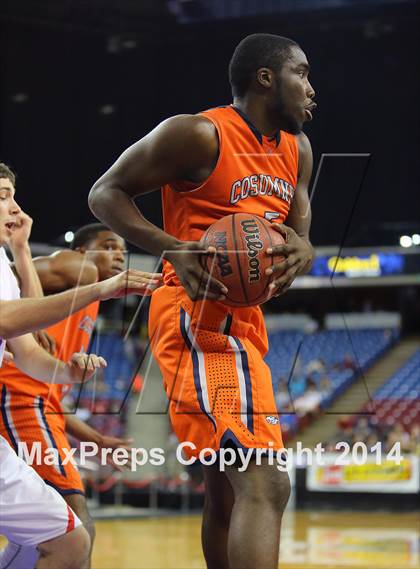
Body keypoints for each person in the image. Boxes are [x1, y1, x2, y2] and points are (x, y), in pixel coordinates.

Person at [89, 33, 316, 569]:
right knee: (266, 480)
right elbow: (105, 193)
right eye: (302, 74)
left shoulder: (297, 150)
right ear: (266, 77)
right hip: (196, 315)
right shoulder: (198, 133)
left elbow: (298, 229)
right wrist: (172, 248)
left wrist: (304, 247)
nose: (311, 88)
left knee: (228, 494)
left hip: (246, 325)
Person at [0, 163, 160, 568]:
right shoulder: (80, 271)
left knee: (65, 536)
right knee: (75, 526)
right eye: (108, 246)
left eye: (122, 250)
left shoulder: (78, 312)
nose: (118, 255)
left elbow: (31, 346)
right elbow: (13, 314)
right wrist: (100, 282)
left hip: (37, 404)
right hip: (18, 401)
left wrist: (19, 249)